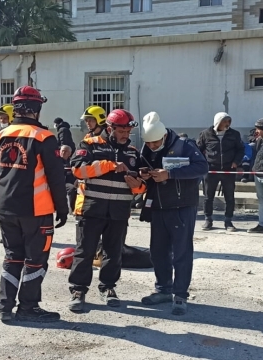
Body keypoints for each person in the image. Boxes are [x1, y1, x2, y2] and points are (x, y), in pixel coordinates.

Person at [0, 86, 68, 323]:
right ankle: (28, 307)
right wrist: (62, 209)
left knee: (12, 257)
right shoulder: (45, 137)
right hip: (37, 211)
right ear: (37, 109)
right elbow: (56, 179)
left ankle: (4, 306)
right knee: (35, 261)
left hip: (6, 209)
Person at [68, 109, 146, 311]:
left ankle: (108, 287)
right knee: (85, 252)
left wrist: (136, 183)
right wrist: (109, 165)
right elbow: (78, 170)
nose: (125, 135)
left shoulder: (133, 153)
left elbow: (143, 186)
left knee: (114, 253)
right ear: (110, 129)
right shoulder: (90, 144)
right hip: (91, 209)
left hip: (119, 213)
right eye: (122, 131)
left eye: (128, 131)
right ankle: (78, 290)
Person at [138, 111, 208, 316]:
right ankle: (163, 290)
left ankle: (180, 295)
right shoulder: (146, 148)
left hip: (182, 207)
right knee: (157, 251)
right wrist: (145, 174)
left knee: (181, 252)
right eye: (149, 143)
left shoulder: (185, 146)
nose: (152, 146)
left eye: (155, 142)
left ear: (164, 136)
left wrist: (170, 174)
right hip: (158, 206)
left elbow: (202, 167)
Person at [196, 112, 245, 231]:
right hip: (211, 170)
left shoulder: (234, 134)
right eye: (225, 121)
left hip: (228, 170)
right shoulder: (205, 134)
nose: (227, 124)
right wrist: (203, 164)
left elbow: (240, 149)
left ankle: (228, 221)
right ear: (218, 122)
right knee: (208, 196)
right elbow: (197, 150)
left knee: (229, 197)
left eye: (229, 121)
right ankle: (208, 220)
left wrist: (236, 162)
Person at [59, 145, 76, 213]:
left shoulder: (72, 162)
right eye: (62, 150)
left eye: (65, 151)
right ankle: (72, 209)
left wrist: (77, 180)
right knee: (71, 188)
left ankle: (75, 209)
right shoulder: (56, 161)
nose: (63, 152)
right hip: (59, 183)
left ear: (69, 153)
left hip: (69, 182)